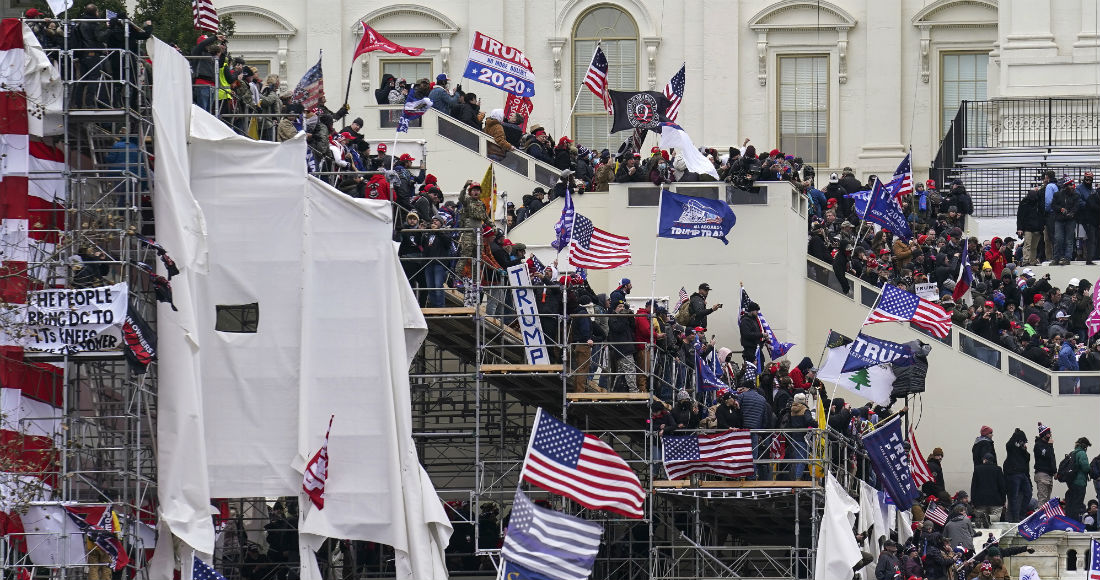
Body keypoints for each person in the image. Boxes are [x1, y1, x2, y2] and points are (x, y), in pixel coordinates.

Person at [1002, 428, 1032, 521]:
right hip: (1014, 474)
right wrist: (1016, 436)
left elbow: (1027, 458)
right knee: (1013, 497)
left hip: (1022, 474)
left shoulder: (1022, 450)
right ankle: (1016, 518)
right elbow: (1009, 445)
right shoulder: (1012, 446)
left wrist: (1023, 449)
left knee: (1028, 493)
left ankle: (1021, 515)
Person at [971, 453, 1006, 527]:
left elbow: (974, 486)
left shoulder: (977, 469)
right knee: (996, 517)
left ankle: (980, 518)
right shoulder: (998, 469)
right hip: (995, 500)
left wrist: (973, 501)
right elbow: (1002, 486)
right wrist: (1003, 500)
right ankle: (989, 518)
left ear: (984, 460)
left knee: (980, 524)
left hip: (980, 500)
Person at [1065, 437, 1091, 519]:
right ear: (1085, 446)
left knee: (1071, 503)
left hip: (1072, 482)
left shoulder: (1072, 453)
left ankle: (1069, 520)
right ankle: (1075, 522)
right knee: (1077, 503)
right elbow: (1085, 467)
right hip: (1080, 482)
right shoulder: (1082, 453)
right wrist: (1091, 469)